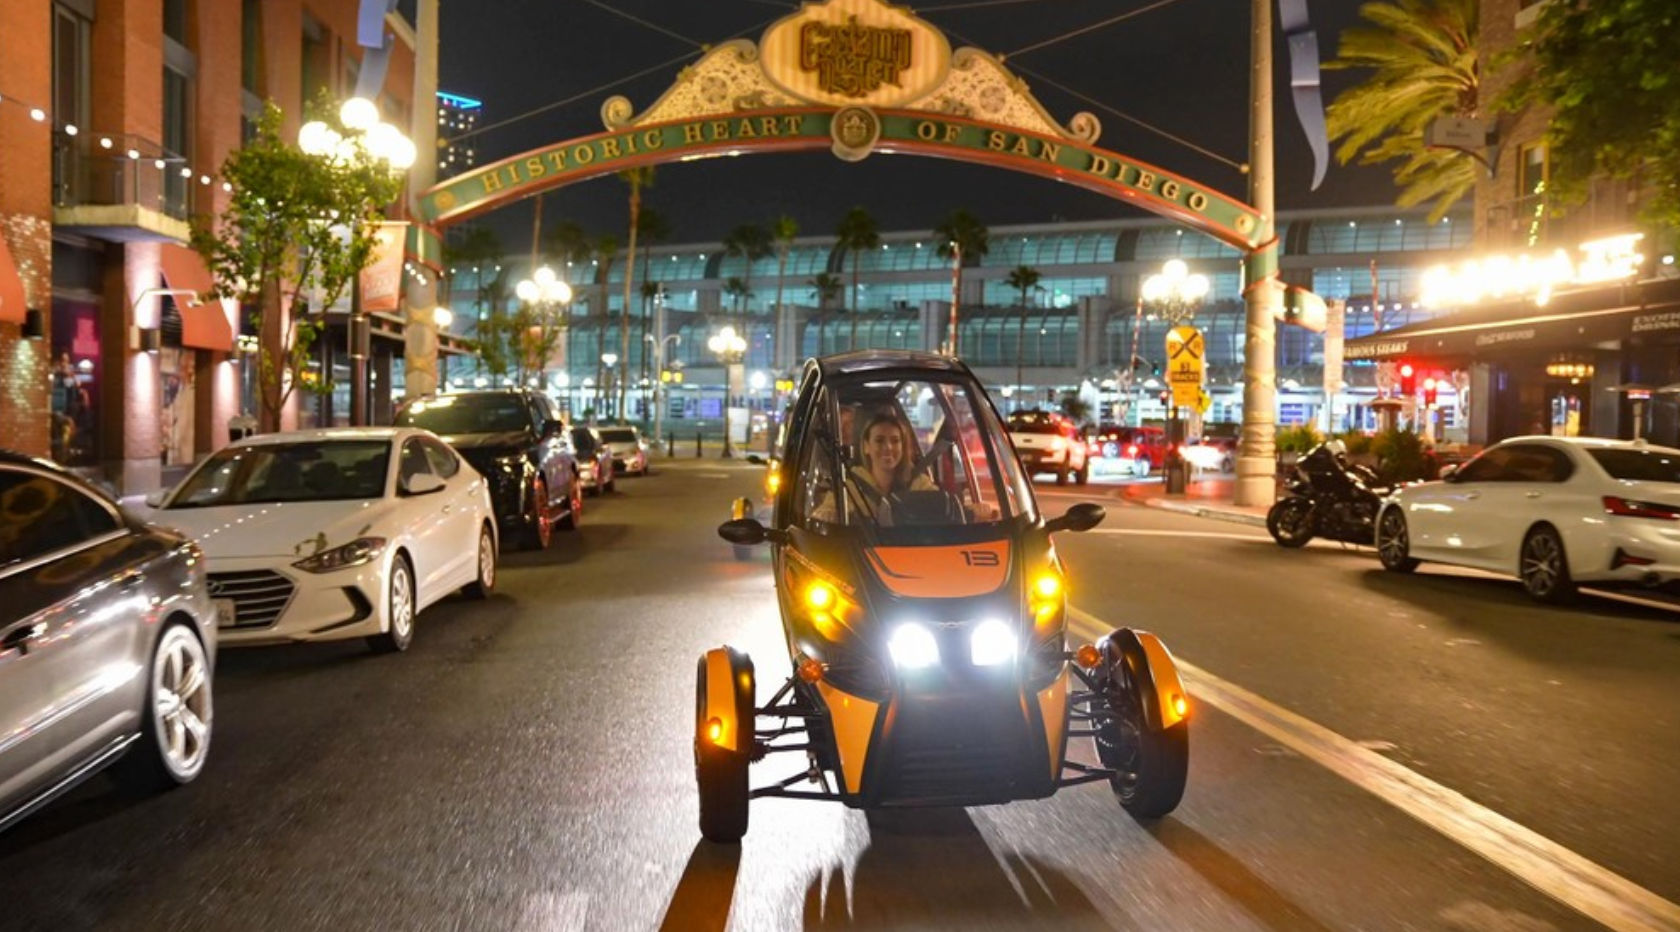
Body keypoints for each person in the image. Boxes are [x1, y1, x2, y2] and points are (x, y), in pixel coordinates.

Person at [812, 412, 937, 525]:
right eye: (879, 440)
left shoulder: (918, 482)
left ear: (903, 447)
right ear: (866, 447)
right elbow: (824, 512)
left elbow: (941, 507)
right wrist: (828, 516)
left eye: (895, 441)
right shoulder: (850, 484)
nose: (888, 447)